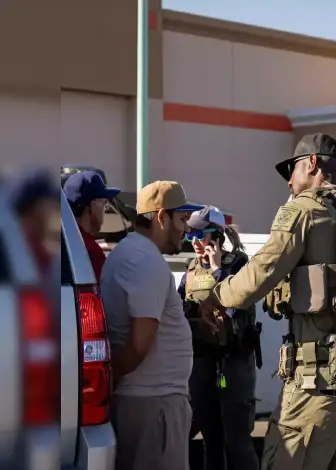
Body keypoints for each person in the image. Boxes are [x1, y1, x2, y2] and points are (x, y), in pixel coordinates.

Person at [197, 133, 336, 470]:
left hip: (318, 385)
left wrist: (216, 299)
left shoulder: (303, 211)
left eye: (291, 170)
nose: (289, 181)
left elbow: (262, 271)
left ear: (310, 164)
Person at [101, 180, 202, 470]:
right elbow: (140, 341)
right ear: (161, 217)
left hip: (149, 403)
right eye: (182, 219)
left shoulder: (133, 254)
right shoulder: (144, 260)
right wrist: (111, 379)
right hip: (154, 406)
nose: (186, 228)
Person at [178, 206, 260, 470]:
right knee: (210, 438)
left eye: (201, 236)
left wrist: (217, 272)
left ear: (217, 236)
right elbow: (180, 310)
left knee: (236, 441)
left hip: (233, 360)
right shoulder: (190, 271)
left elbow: (235, 305)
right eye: (191, 236)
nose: (196, 243)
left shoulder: (237, 264)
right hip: (202, 361)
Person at [63, 170, 120, 282]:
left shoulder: (66, 241)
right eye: (104, 202)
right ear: (90, 205)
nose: (105, 208)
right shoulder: (90, 252)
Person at [8, 169, 59, 275]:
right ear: (35, 210)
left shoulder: (40, 248)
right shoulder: (25, 252)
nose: (52, 212)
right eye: (49, 204)